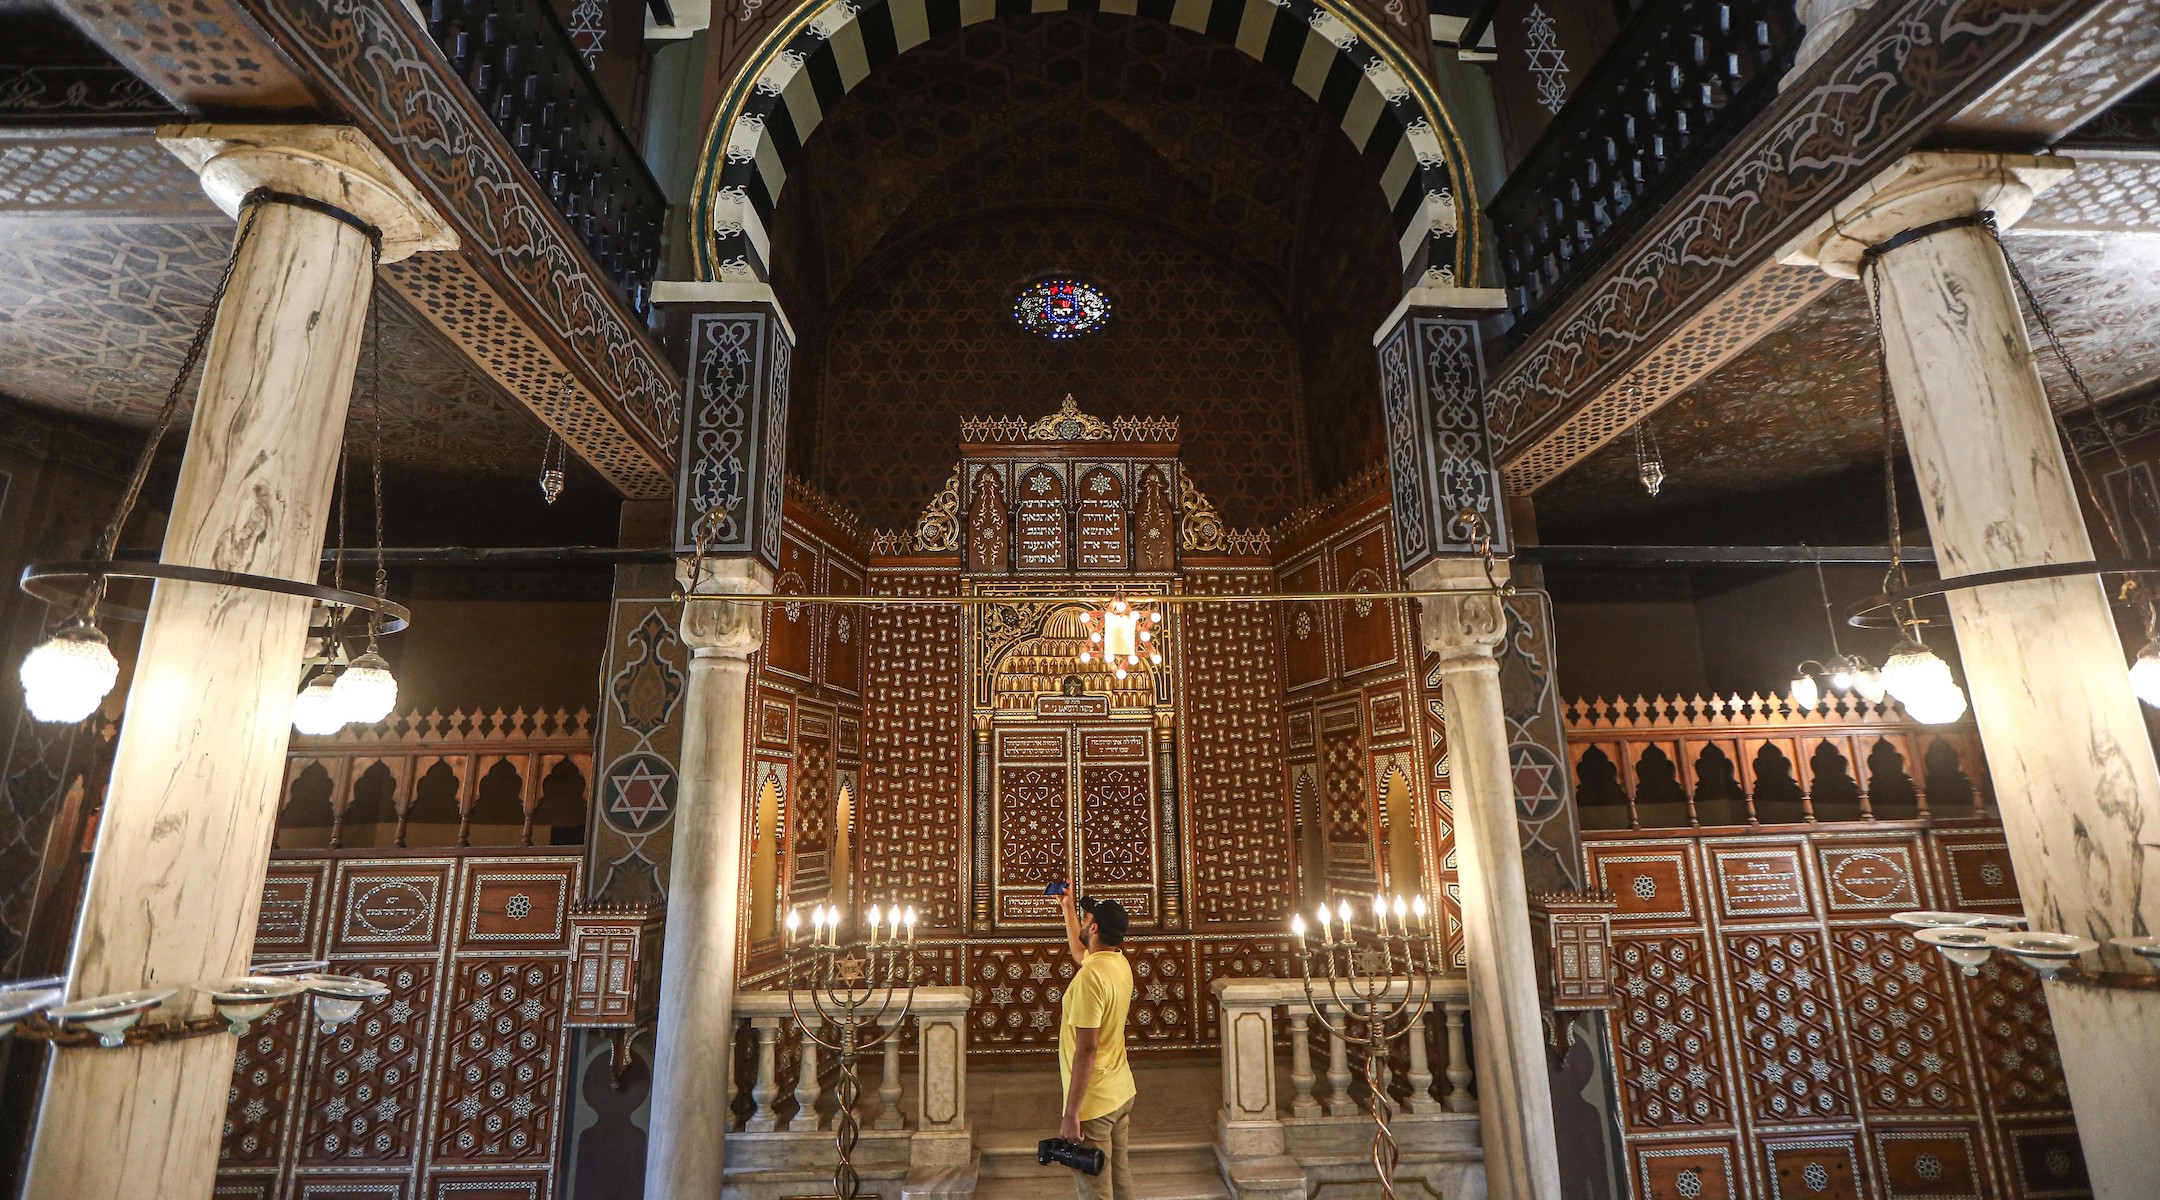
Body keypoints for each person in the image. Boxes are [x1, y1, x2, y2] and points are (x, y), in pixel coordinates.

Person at [1056, 889, 1135, 1200]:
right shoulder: (1116, 962)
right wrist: (1068, 908)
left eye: (1087, 918)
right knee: (1121, 1180)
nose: (1084, 921)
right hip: (1121, 1091)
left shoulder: (1091, 980)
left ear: (1095, 928)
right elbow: (1080, 952)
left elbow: (1087, 1049)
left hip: (1096, 1102)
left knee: (1095, 1192)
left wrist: (1072, 1113)